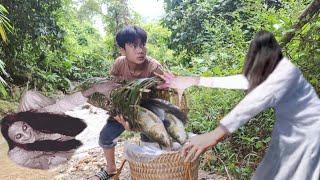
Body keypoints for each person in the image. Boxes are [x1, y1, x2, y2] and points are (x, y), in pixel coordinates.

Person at [157, 31, 320, 180]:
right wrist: (194, 80)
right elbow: (242, 80)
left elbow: (252, 103)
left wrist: (214, 135)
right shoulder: (272, 73)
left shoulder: (285, 74)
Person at [91, 25, 166, 180]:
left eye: (142, 45)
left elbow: (165, 96)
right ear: (123, 50)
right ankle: (111, 169)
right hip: (123, 110)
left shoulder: (154, 67)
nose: (140, 50)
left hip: (147, 112)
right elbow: (112, 88)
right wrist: (118, 113)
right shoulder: (119, 64)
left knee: (148, 143)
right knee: (105, 136)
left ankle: (150, 171)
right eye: (133, 45)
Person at [1, 80, 119, 169]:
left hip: (56, 120)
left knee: (30, 97)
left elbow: (63, 104)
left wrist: (95, 88)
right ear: (14, 142)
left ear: (27, 123)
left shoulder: (38, 116)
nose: (27, 134)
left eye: (25, 128)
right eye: (19, 136)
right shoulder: (19, 155)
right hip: (59, 148)